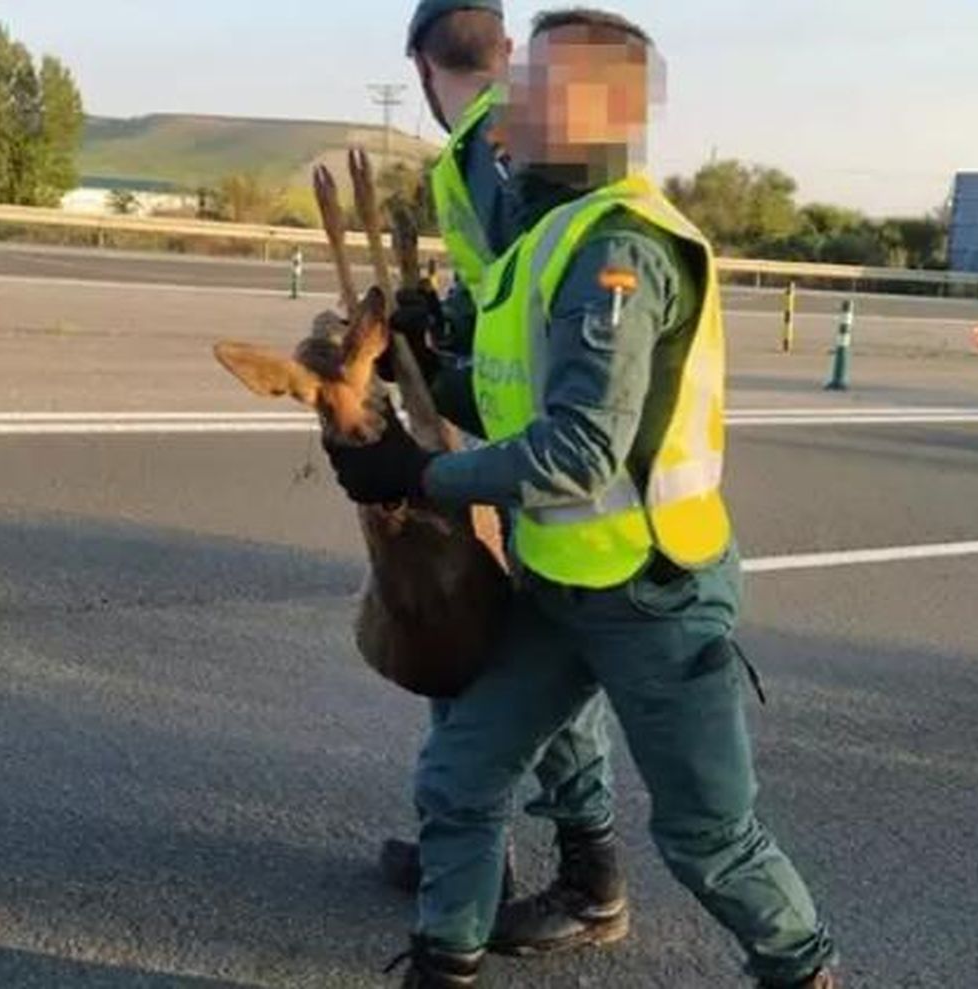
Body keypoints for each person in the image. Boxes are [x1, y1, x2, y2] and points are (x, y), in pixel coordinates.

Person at [327, 9, 840, 987]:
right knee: (458, 777)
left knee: (709, 836)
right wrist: (426, 366)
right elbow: (515, 396)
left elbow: (581, 447)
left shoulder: (621, 251)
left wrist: (417, 475)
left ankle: (804, 970)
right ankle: (443, 965)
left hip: (654, 596)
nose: (510, 105)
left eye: (537, 89)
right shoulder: (550, 236)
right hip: (559, 586)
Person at [376, 0, 632, 957]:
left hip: (539, 453)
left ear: (419, 64)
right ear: (509, 47)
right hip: (523, 430)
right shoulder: (505, 140)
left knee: (523, 654)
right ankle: (467, 843)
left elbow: (540, 288)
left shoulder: (498, 142)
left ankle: (589, 874)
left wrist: (448, 421)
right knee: (472, 635)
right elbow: (514, 285)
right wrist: (443, 323)